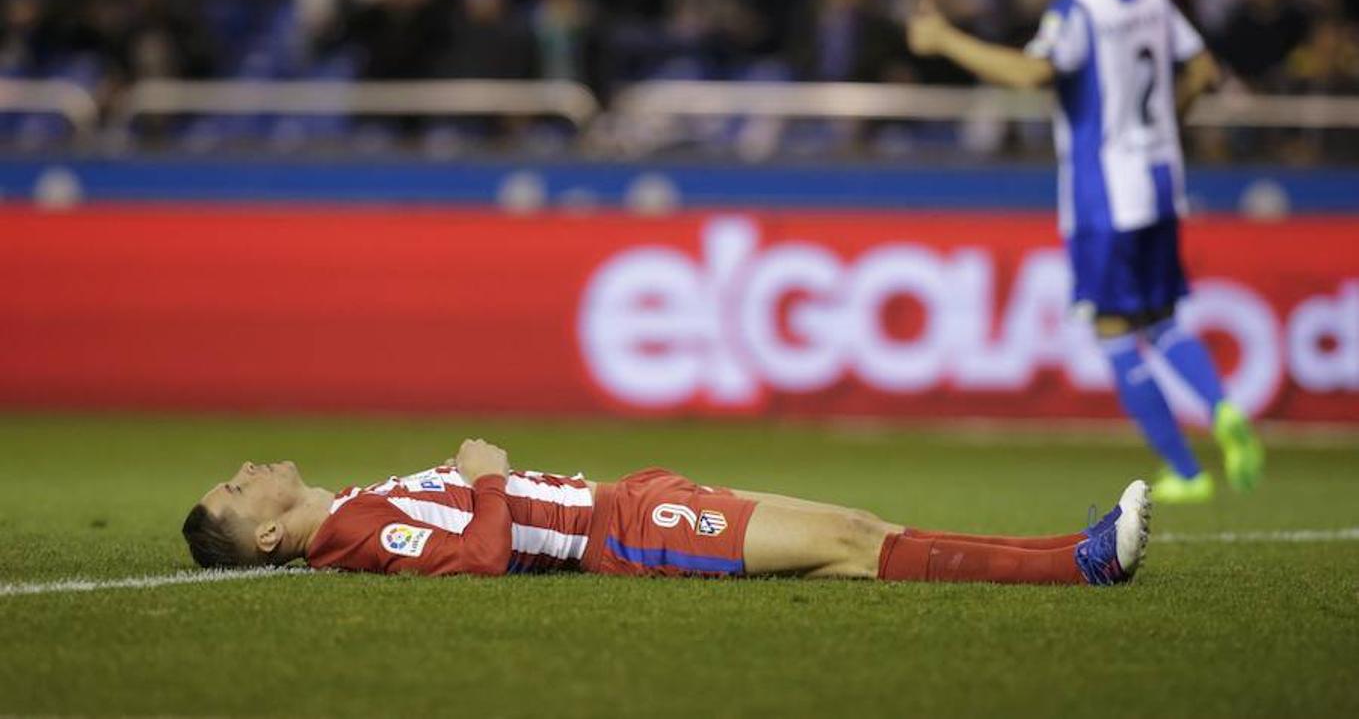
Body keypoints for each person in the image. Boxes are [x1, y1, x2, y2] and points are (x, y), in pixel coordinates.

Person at [907, 0, 1265, 503]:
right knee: (1162, 319)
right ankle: (1222, 407)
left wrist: (946, 40)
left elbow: (1032, 74)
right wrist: (1159, 130)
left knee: (1113, 331)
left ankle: (1186, 470)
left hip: (1103, 195)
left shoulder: (1075, 9)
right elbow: (1203, 70)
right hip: (1160, 183)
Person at [182, 439, 1151, 587]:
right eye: (235, 490)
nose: (243, 469)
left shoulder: (350, 502)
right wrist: (486, 471)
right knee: (854, 543)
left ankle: (1073, 549)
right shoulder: (348, 537)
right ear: (268, 536)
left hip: (631, 500)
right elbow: (480, 558)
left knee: (859, 528)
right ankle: (1083, 562)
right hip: (626, 534)